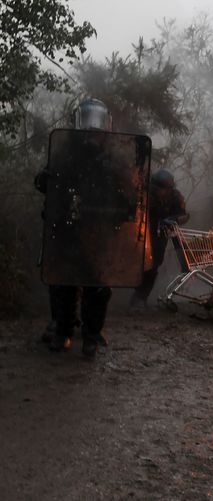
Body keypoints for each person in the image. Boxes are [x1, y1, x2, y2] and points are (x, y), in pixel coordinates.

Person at [35, 97, 114, 357]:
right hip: (67, 229)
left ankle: (91, 335)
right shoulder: (65, 151)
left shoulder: (111, 158)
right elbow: (45, 180)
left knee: (97, 287)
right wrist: (45, 180)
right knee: (62, 283)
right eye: (88, 120)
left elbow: (125, 193)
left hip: (97, 232)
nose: (92, 128)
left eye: (97, 122)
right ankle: (63, 331)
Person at [129, 169, 189, 309]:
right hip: (142, 232)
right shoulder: (145, 194)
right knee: (137, 263)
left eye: (164, 189)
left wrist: (172, 220)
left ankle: (140, 298)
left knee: (153, 265)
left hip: (160, 235)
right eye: (158, 188)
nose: (161, 191)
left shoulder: (175, 197)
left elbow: (183, 215)